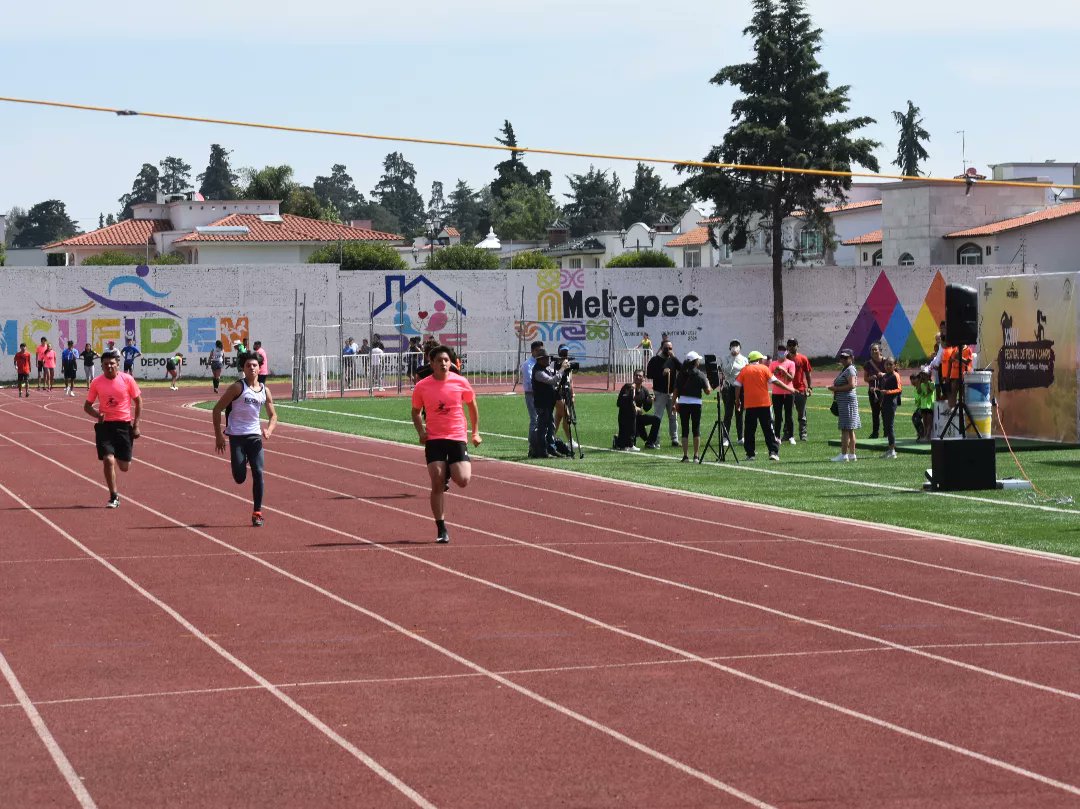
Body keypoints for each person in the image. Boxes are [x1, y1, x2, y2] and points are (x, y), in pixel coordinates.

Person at [411, 345, 482, 543]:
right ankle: (441, 528)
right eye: (439, 360)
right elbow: (415, 411)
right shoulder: (422, 386)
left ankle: (450, 472)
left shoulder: (461, 382)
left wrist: (475, 432)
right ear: (431, 364)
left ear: (451, 363)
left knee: (464, 480)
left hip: (457, 436)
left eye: (446, 360)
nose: (443, 363)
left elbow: (472, 405)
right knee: (437, 483)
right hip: (434, 438)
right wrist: (421, 431)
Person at [213, 352, 278, 527]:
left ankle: (257, 512)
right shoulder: (237, 388)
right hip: (237, 437)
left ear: (259, 368)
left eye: (255, 365)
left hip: (255, 437)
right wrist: (219, 435)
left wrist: (269, 430)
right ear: (243, 368)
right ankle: (240, 462)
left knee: (258, 472)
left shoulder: (265, 390)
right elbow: (217, 409)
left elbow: (273, 415)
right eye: (248, 365)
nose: (252, 368)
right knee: (240, 478)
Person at [84, 350, 142, 508]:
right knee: (108, 460)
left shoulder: (127, 379)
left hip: (124, 425)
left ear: (117, 365)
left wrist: (136, 425)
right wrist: (97, 414)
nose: (109, 366)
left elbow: (138, 401)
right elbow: (87, 406)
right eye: (106, 364)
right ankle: (113, 496)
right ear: (102, 366)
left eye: (112, 364)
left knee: (124, 467)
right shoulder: (96, 382)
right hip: (105, 426)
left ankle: (118, 454)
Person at [735, 350, 784, 461]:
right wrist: (788, 388)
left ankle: (750, 454)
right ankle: (773, 452)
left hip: (750, 405)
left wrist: (737, 400)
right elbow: (775, 381)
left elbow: (737, 385)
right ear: (759, 360)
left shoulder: (744, 370)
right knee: (768, 429)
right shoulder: (764, 368)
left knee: (749, 431)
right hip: (764, 404)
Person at [674, 351, 712, 462]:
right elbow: (708, 391)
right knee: (696, 429)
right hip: (696, 403)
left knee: (685, 429)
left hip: (683, 403)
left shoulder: (681, 374)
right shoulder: (700, 374)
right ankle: (696, 456)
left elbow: (676, 391)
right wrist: (708, 382)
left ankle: (685, 456)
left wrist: (673, 404)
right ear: (696, 362)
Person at [530, 353, 568, 458]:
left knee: (551, 426)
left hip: (548, 403)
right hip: (542, 403)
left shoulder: (545, 369)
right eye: (546, 358)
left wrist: (560, 369)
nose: (548, 360)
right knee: (543, 428)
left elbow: (556, 380)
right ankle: (541, 451)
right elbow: (552, 380)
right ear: (540, 360)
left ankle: (551, 448)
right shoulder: (538, 371)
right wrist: (562, 369)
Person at [645, 339, 681, 447]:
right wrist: (662, 373)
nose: (669, 350)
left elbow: (682, 369)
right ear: (661, 348)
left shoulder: (673, 360)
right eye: (666, 348)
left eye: (670, 348)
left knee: (673, 417)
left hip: (672, 394)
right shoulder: (655, 360)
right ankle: (656, 440)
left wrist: (674, 358)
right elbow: (649, 375)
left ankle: (675, 439)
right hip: (660, 393)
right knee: (657, 418)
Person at [828, 348, 861, 462]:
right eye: (842, 357)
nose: (843, 359)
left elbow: (852, 385)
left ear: (851, 358)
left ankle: (844, 455)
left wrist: (836, 388)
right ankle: (852, 454)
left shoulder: (850, 370)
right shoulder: (846, 369)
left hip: (847, 402)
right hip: (846, 402)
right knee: (850, 429)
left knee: (845, 429)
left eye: (846, 357)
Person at [615, 369, 661, 450]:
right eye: (636, 375)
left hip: (637, 418)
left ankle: (650, 442)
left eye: (640, 376)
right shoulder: (627, 387)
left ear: (643, 379)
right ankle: (618, 440)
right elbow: (619, 403)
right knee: (625, 444)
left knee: (656, 419)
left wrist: (650, 401)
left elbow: (646, 409)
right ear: (633, 377)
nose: (638, 377)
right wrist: (633, 407)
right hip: (627, 417)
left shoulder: (644, 390)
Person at [719, 339, 747, 446]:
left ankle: (741, 437)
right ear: (730, 347)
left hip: (741, 388)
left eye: (737, 345)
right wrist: (733, 359)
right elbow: (726, 371)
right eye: (733, 345)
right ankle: (725, 438)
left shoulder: (744, 359)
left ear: (740, 348)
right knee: (728, 413)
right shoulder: (725, 358)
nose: (735, 347)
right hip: (729, 387)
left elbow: (745, 371)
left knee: (739, 413)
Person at [786, 338, 813, 442]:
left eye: (793, 344)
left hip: (800, 389)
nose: (791, 347)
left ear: (797, 345)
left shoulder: (803, 358)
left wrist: (810, 387)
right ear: (787, 346)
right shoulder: (784, 359)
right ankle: (787, 434)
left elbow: (808, 373)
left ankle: (803, 434)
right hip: (788, 390)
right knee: (788, 414)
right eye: (790, 345)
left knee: (802, 414)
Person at [552, 345, 578, 451]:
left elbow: (570, 381)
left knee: (558, 418)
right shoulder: (558, 365)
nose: (565, 354)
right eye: (562, 352)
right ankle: (570, 440)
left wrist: (572, 394)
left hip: (566, 394)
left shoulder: (568, 365)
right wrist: (563, 365)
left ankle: (550, 438)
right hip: (558, 394)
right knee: (567, 416)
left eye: (566, 352)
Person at [769, 343, 796, 445]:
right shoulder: (773, 364)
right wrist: (775, 372)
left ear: (786, 352)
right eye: (779, 351)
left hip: (788, 392)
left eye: (783, 351)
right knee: (778, 416)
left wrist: (784, 371)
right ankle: (777, 436)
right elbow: (770, 378)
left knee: (789, 415)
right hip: (776, 393)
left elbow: (791, 378)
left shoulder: (790, 363)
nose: (781, 353)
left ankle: (791, 436)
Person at [520, 340, 544, 449]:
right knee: (534, 418)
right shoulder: (527, 364)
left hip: (540, 394)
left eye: (541, 350)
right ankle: (532, 444)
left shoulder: (542, 362)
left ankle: (540, 441)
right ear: (533, 351)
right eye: (538, 350)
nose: (540, 353)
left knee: (542, 419)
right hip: (531, 394)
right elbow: (530, 381)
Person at [878, 357, 903, 459]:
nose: (888, 366)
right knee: (886, 426)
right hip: (885, 403)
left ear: (894, 366)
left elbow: (899, 389)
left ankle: (892, 450)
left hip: (891, 403)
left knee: (890, 426)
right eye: (886, 364)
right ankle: (890, 449)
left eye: (890, 364)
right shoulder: (886, 376)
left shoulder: (895, 375)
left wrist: (887, 392)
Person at [863, 342, 885, 439]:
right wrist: (871, 378)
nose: (874, 351)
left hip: (885, 391)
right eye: (872, 350)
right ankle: (875, 433)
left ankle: (887, 432)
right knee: (875, 413)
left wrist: (883, 374)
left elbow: (894, 374)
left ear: (880, 351)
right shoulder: (868, 364)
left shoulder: (887, 361)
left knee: (885, 412)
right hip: (873, 392)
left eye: (876, 349)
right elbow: (865, 378)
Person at [911, 370, 935, 442]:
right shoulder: (921, 385)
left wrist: (927, 381)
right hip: (923, 406)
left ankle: (928, 436)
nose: (923, 377)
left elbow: (929, 391)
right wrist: (921, 382)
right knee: (925, 422)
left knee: (929, 422)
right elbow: (919, 392)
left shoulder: (931, 383)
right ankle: (923, 435)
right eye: (922, 376)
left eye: (924, 375)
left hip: (930, 406)